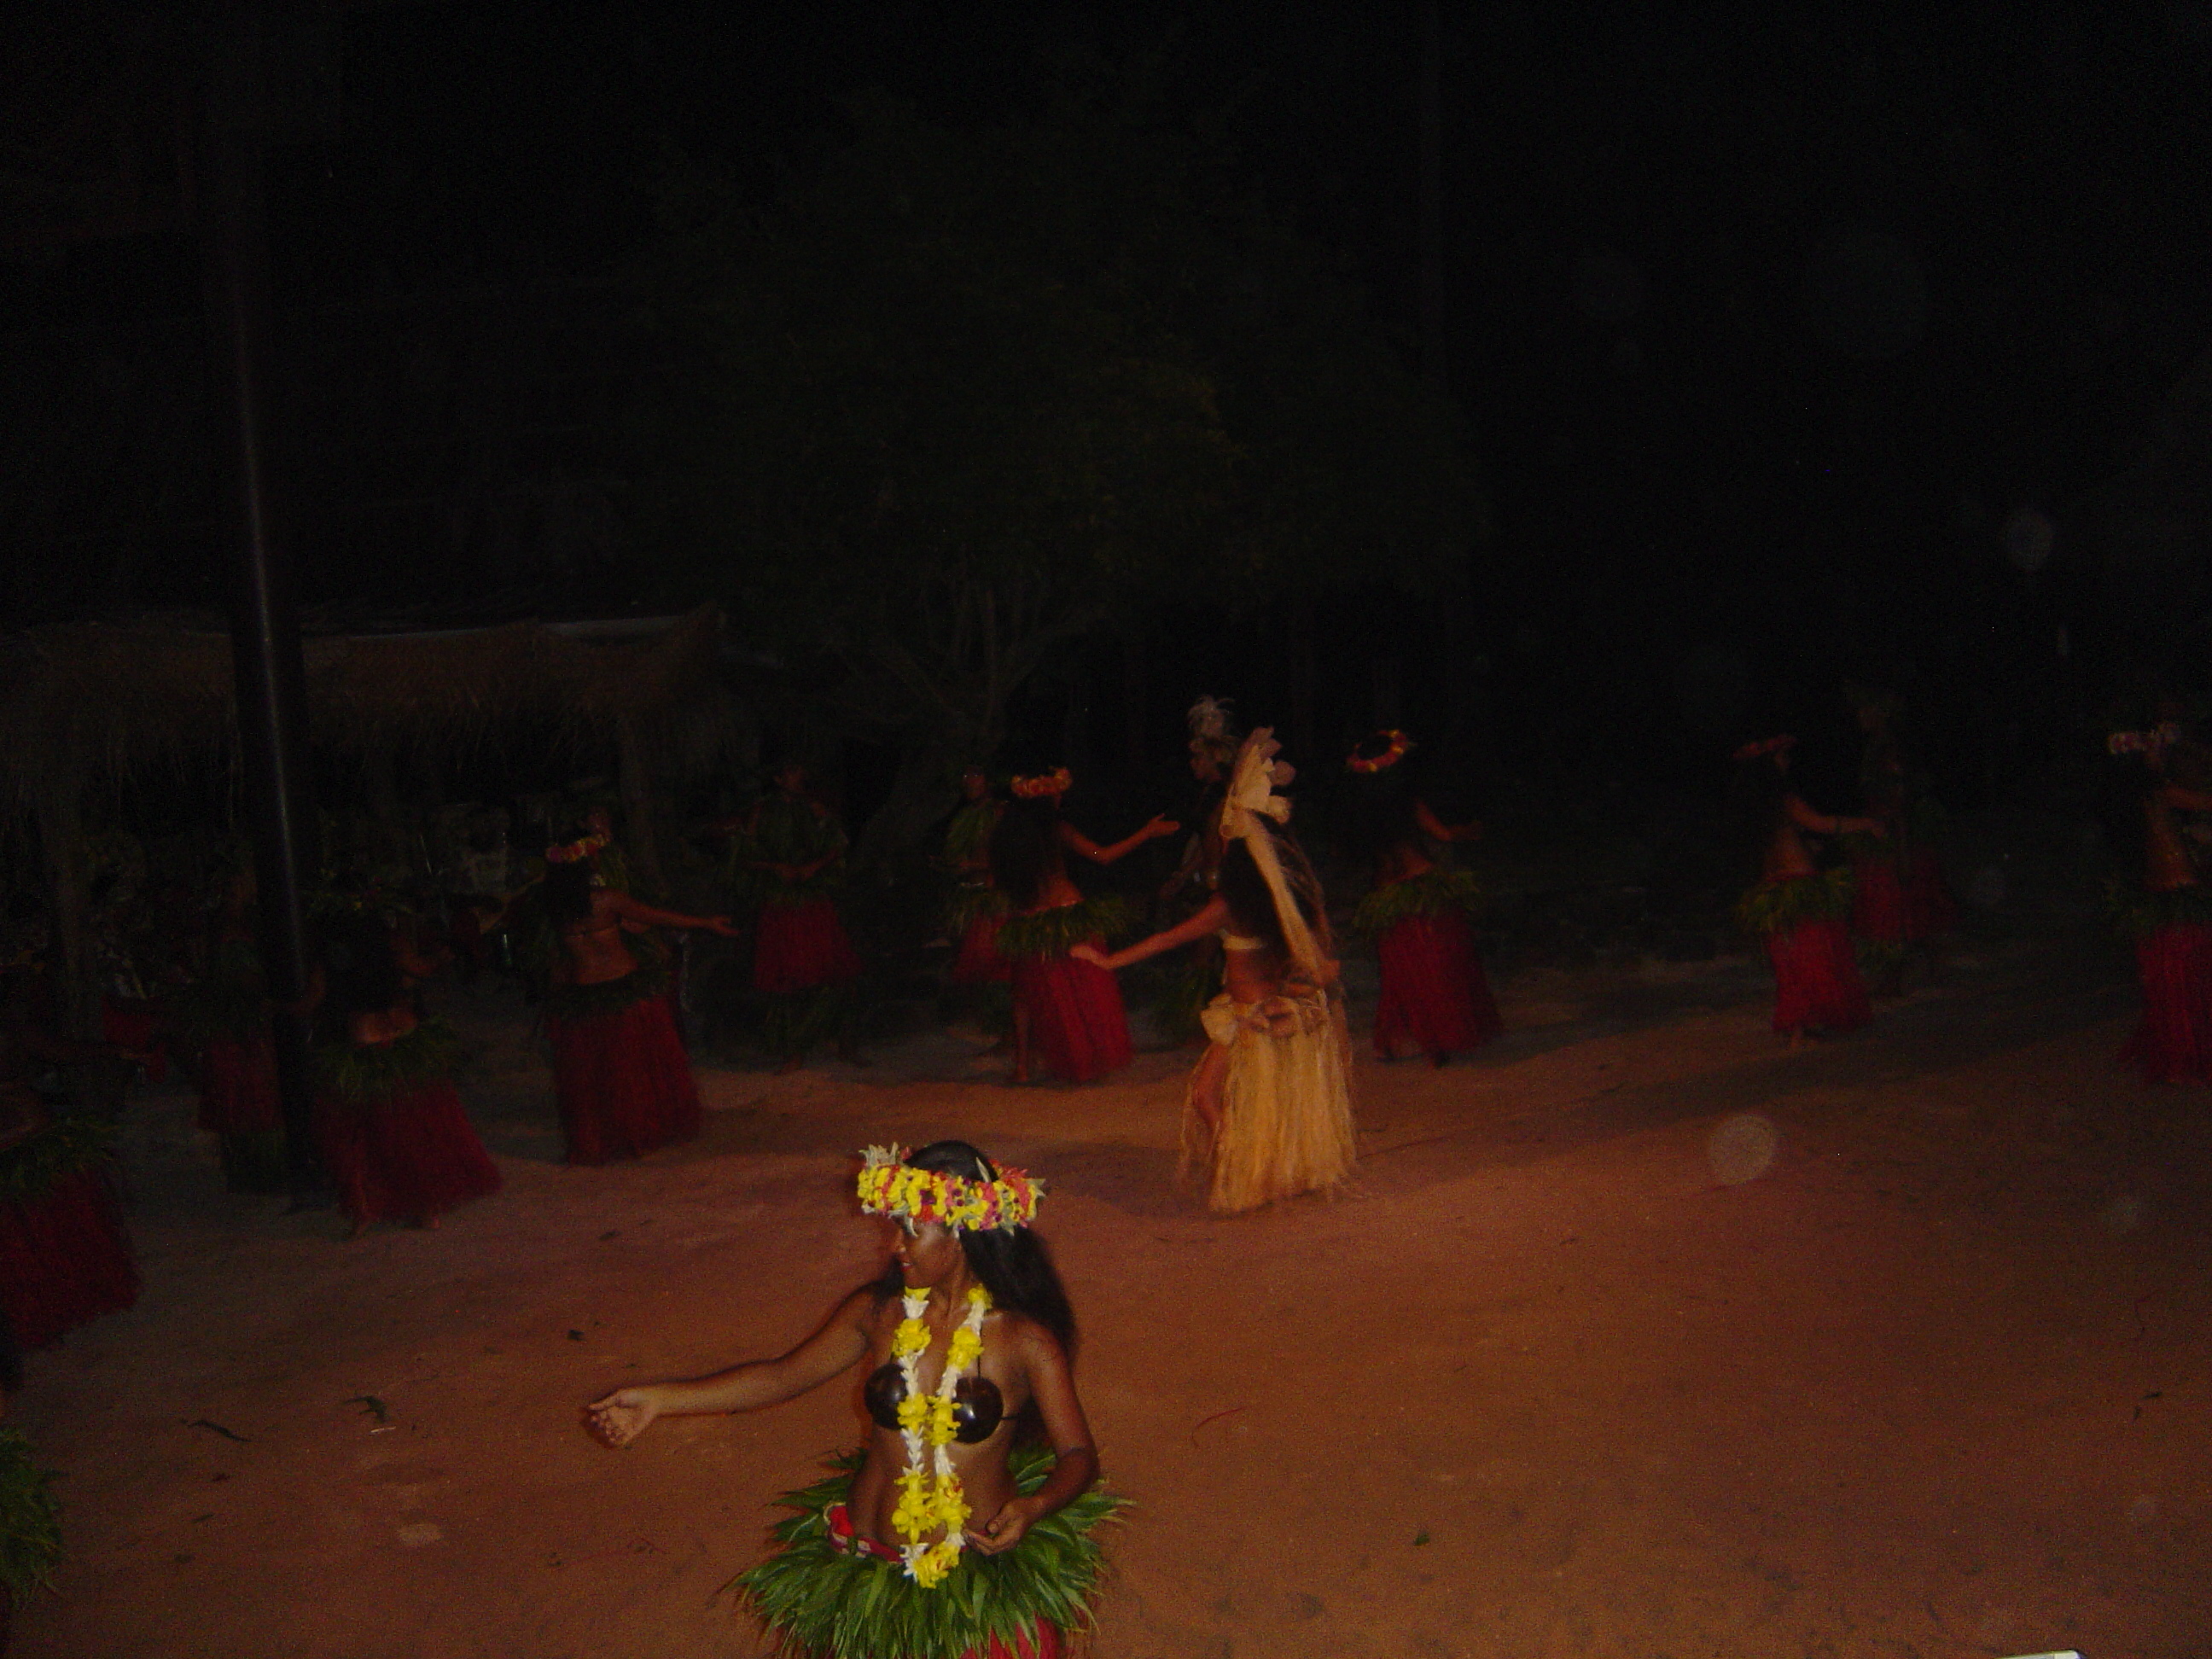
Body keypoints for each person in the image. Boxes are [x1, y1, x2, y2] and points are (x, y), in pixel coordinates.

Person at [585, 1141, 1119, 1659]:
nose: (896, 1246)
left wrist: (1035, 1507)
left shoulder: (1023, 1340)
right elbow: (779, 1376)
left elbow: (1078, 1457)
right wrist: (660, 1401)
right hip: (870, 1561)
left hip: (969, 1572)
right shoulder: (878, 1314)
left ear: (960, 1234)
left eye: (911, 1231)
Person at [1076, 731, 1356, 1213]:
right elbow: (1317, 957)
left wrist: (1108, 960)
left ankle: (1249, 1171)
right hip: (1274, 1012)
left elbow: (1167, 938)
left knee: (1208, 1097)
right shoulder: (1279, 902)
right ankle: (1271, 1171)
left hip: (1250, 1020)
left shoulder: (1227, 907)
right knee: (1268, 1104)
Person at [543, 834, 736, 1163]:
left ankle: (605, 1138)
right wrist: (705, 922)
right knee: (633, 1070)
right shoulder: (606, 900)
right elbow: (657, 916)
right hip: (624, 991)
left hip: (584, 999)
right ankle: (640, 1135)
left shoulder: (556, 909)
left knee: (596, 1075)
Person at [310, 921, 501, 1239]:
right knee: (420, 1131)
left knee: (363, 1137)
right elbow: (423, 969)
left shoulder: (330, 964)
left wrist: (277, 1006)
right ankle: (429, 1213)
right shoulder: (393, 952)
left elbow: (311, 1003)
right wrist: (442, 959)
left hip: (366, 1041)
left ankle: (365, 1214)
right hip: (407, 1036)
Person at [987, 772, 1178, 1083]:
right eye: (1056, 796)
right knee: (1079, 989)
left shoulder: (1008, 835)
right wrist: (1147, 832)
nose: (1061, 800)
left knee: (1024, 993)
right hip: (1067, 915)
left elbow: (996, 882)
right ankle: (1087, 1059)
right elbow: (1101, 856)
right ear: (1047, 801)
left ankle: (1022, 1066)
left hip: (1028, 920)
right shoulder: (1057, 830)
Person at [1342, 729, 1500, 1064]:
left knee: (1402, 971)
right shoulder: (1407, 803)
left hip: (1385, 898)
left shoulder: (1360, 815)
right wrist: (1468, 831)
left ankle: (1409, 1040)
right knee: (1442, 967)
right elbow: (1442, 834)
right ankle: (1443, 1036)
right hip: (1424, 889)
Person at [1732, 736, 1883, 1046]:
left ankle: (1798, 1026)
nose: (1787, 762)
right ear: (1769, 767)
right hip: (1801, 887)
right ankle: (1807, 1023)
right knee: (1816, 957)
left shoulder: (1754, 807)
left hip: (1771, 891)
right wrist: (1867, 823)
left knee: (1789, 961)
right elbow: (1824, 824)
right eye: (1782, 758)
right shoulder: (1786, 800)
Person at [732, 761, 864, 1070]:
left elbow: (838, 844)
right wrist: (775, 868)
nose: (799, 776)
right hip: (781, 902)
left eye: (800, 771)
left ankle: (845, 1043)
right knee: (788, 976)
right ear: (778, 778)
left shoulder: (814, 808)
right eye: (791, 771)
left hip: (814, 900)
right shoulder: (762, 811)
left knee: (836, 971)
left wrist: (814, 867)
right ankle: (794, 1050)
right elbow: (745, 858)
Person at [2109, 725, 2212, 1083]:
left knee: (2173, 983)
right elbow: (2204, 802)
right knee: (2187, 981)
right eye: (2152, 750)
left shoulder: (2133, 797)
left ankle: (2179, 1050)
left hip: (2157, 896)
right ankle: (2186, 1053)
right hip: (2176, 897)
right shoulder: (2157, 791)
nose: (2160, 755)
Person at [1844, 685, 1953, 994]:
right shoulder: (1877, 746)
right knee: (1898, 906)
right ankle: (1923, 968)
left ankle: (1899, 974)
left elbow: (1899, 801)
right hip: (1883, 827)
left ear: (1882, 713)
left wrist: (1901, 848)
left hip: (1892, 831)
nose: (1860, 718)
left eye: (1866, 711)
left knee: (1893, 908)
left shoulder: (1888, 749)